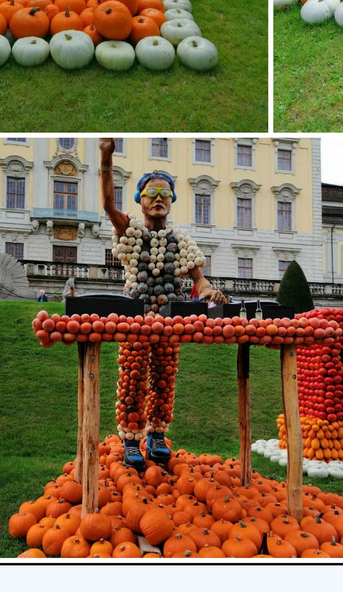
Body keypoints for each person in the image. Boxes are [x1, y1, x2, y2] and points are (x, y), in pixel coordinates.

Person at [99, 138, 226, 469]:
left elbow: (198, 280)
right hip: (136, 317)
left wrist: (208, 292)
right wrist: (106, 157)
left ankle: (155, 435)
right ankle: (130, 440)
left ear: (172, 200)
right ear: (141, 201)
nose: (158, 200)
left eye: (164, 194)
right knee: (132, 377)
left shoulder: (181, 240)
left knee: (164, 377)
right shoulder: (131, 231)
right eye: (151, 195)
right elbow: (109, 205)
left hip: (171, 319)